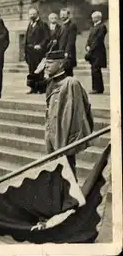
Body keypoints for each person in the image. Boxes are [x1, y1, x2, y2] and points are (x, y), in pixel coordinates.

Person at [41, 49, 94, 179]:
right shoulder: (51, 82)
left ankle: (70, 199)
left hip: (64, 139)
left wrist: (70, 142)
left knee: (67, 176)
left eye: (50, 63)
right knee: (56, 175)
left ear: (60, 64)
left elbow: (78, 116)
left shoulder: (71, 83)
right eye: (46, 63)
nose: (46, 66)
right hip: (52, 135)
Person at [24, 8, 50, 94]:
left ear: (37, 14)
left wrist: (40, 45)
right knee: (31, 70)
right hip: (30, 52)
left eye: (33, 14)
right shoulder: (29, 24)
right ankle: (33, 88)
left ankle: (41, 89)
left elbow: (47, 38)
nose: (32, 16)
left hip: (39, 52)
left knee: (39, 70)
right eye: (30, 14)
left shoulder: (43, 24)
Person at [84, 11, 108, 94]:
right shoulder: (94, 27)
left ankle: (98, 88)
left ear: (98, 18)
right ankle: (97, 88)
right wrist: (87, 45)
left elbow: (98, 40)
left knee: (96, 70)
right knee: (94, 70)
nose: (92, 19)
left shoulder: (102, 27)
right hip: (93, 52)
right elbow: (89, 39)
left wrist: (90, 49)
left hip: (98, 52)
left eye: (94, 17)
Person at [57, 8, 78, 77]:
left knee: (68, 73)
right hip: (61, 53)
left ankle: (70, 87)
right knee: (63, 73)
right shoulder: (61, 26)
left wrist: (67, 52)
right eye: (61, 14)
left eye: (64, 14)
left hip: (68, 54)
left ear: (68, 15)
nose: (62, 16)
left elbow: (71, 41)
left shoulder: (72, 25)